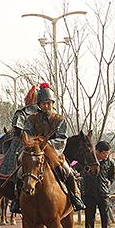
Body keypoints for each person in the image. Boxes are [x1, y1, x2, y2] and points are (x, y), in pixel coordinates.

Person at [22, 82, 86, 212]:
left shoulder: (59, 119)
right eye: (43, 103)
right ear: (39, 105)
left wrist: (47, 145)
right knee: (19, 172)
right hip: (34, 152)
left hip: (54, 154)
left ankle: (75, 198)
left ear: (52, 104)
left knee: (68, 172)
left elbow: (62, 138)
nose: (46, 106)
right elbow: (27, 133)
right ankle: (17, 201)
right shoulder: (31, 119)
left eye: (49, 103)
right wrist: (33, 143)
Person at [0, 85, 41, 212]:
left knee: (62, 165)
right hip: (23, 143)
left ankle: (73, 195)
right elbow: (18, 130)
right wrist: (29, 140)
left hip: (41, 144)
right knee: (20, 164)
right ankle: (16, 198)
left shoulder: (43, 113)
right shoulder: (21, 113)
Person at [83, 141, 115, 228]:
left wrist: (107, 183)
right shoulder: (87, 160)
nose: (106, 155)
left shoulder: (110, 162)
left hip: (103, 193)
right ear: (97, 151)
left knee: (105, 219)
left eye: (107, 153)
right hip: (89, 193)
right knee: (89, 219)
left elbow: (111, 176)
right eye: (104, 153)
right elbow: (73, 164)